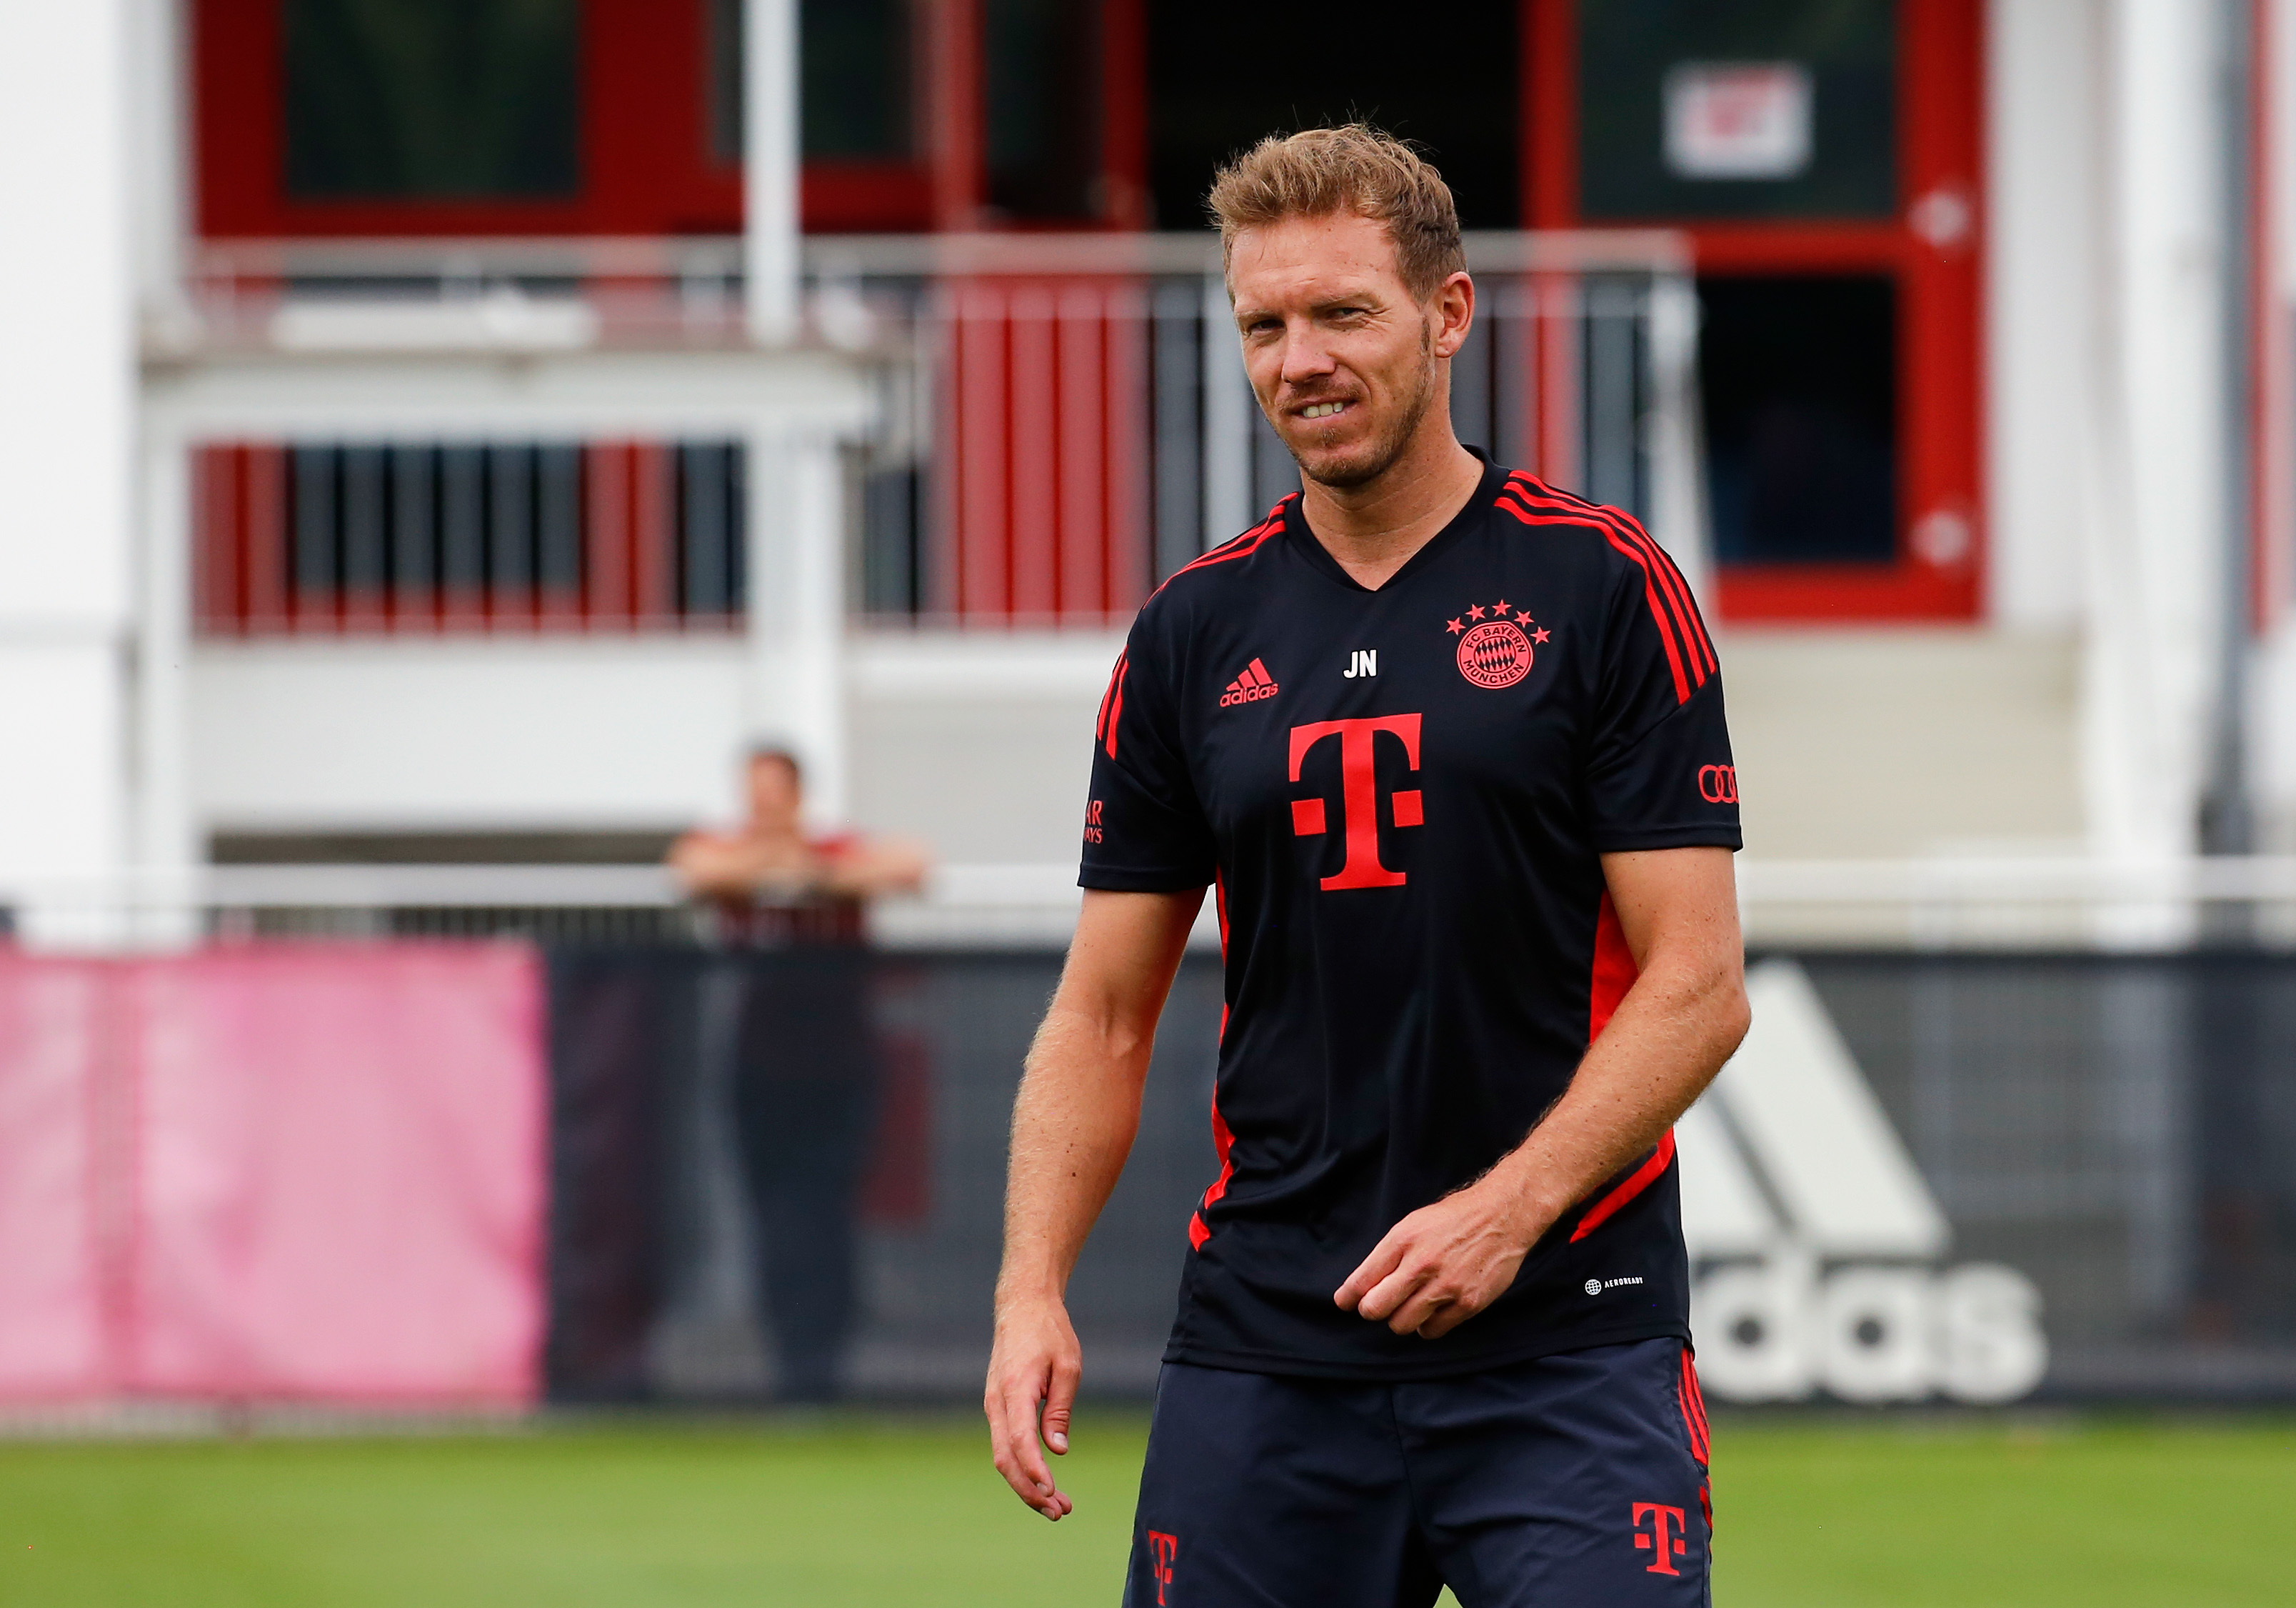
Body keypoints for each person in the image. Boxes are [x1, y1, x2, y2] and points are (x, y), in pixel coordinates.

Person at [986, 126, 1749, 1604]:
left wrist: (1507, 1210)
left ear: (1445, 314)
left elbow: (1698, 984)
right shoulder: (1189, 634)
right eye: (1263, 325)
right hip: (1268, 1348)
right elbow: (1100, 1015)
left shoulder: (1603, 587)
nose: (1299, 361)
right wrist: (1028, 1292)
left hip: (1563, 1339)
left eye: (1341, 313)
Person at [670, 744, 928, 1402]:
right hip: (759, 1071)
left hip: (840, 1069)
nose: (762, 807)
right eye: (752, 793)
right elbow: (693, 870)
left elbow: (909, 866)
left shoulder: (834, 849)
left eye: (773, 793)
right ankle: (789, 1363)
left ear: (796, 795)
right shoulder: (728, 850)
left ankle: (824, 1364)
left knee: (829, 1215)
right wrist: (767, 868)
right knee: (772, 1217)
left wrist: (807, 873)